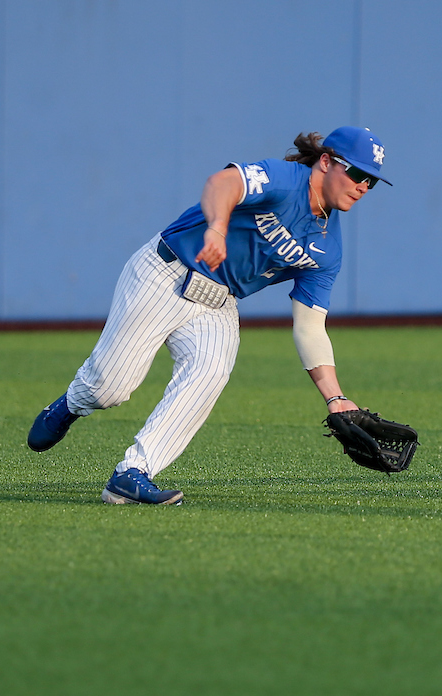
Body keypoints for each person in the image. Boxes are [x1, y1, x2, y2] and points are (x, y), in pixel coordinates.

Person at [26, 127, 390, 505]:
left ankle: (132, 474)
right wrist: (217, 228)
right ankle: (71, 404)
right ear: (327, 162)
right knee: (109, 388)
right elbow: (222, 182)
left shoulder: (328, 249)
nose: (363, 186)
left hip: (218, 302)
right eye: (358, 173)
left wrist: (336, 398)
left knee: (208, 375)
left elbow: (310, 326)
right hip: (166, 272)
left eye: (372, 181)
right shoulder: (286, 180)